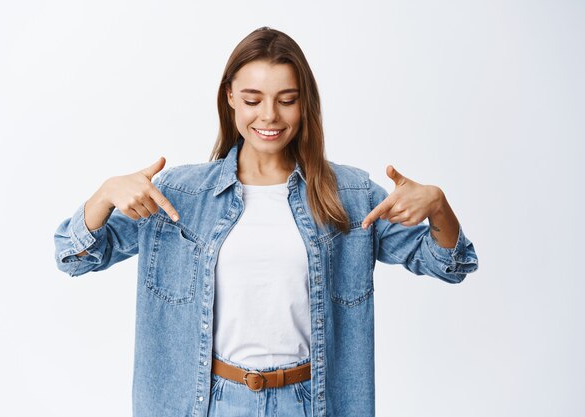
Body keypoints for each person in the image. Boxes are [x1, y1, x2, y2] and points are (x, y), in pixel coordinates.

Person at [54, 26, 478, 417]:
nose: (270, 116)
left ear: (304, 102)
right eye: (253, 99)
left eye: (287, 100)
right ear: (230, 98)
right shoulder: (179, 195)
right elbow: (73, 257)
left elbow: (449, 265)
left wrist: (438, 206)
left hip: (311, 402)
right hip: (208, 402)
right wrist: (105, 193)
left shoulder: (349, 196)